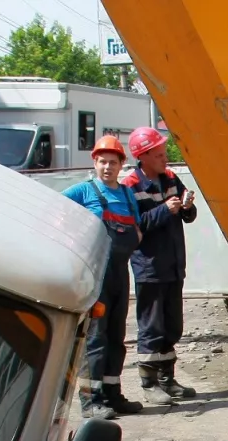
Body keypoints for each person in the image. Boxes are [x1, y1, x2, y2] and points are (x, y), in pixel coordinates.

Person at [62, 134, 143, 419]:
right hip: (96, 276)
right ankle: (91, 402)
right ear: (94, 163)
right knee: (95, 339)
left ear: (122, 164)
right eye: (102, 162)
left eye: (113, 162)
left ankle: (112, 395)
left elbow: (136, 229)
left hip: (120, 274)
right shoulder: (83, 192)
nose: (107, 167)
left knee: (116, 336)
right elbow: (54, 211)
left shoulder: (126, 194)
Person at [120, 126, 198, 405]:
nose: (166, 158)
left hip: (174, 264)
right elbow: (134, 226)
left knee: (172, 325)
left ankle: (167, 379)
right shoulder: (130, 185)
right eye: (160, 154)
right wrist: (165, 210)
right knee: (152, 326)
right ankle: (149, 382)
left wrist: (187, 207)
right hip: (149, 267)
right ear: (143, 156)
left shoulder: (171, 178)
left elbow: (187, 217)